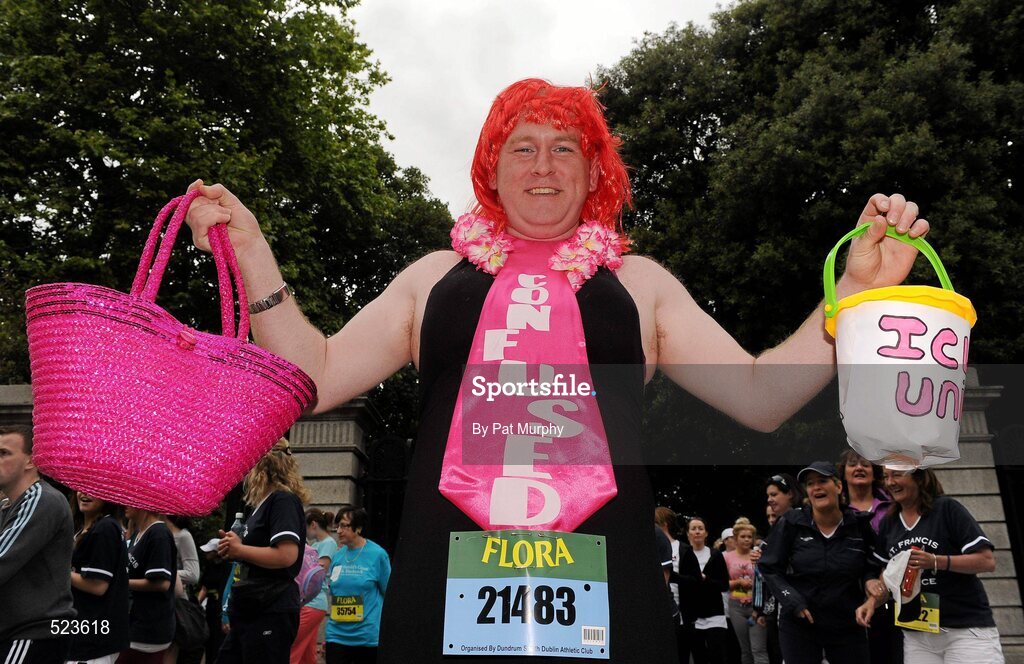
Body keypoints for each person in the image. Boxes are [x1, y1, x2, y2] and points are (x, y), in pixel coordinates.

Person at [184, 77, 930, 662]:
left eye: (565, 147)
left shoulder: (642, 284)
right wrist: (254, 255)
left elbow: (765, 395)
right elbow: (311, 375)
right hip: (445, 581)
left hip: (608, 580)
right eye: (523, 146)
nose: (543, 165)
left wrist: (857, 294)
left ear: (593, 170)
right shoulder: (432, 277)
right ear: (492, 169)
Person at [875, 467, 1003, 663]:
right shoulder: (888, 523)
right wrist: (871, 600)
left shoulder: (946, 509)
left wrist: (935, 561)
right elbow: (885, 572)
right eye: (886, 476)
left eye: (897, 475)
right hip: (917, 634)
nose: (890, 482)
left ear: (919, 477)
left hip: (964, 629)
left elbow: (986, 561)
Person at [758, 461, 882, 664]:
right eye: (810, 483)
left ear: (839, 486)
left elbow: (873, 564)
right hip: (800, 623)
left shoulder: (859, 526)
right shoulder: (791, 522)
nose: (816, 487)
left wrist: (870, 581)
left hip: (847, 623)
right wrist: (792, 601)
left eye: (822, 481)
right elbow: (769, 567)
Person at [216, 438, 309, 664]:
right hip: (254, 605)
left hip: (270, 607)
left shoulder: (282, 500)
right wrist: (233, 547)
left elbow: (287, 556)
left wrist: (240, 550)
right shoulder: (264, 504)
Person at [0, 425, 76, 664]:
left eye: (4, 453)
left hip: (34, 633)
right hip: (22, 633)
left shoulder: (40, 499)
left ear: (31, 461)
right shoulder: (9, 506)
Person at [839, 450, 901, 663]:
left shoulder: (894, 504)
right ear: (843, 474)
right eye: (852, 464)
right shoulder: (836, 510)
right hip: (853, 592)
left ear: (874, 473)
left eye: (865, 464)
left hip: (897, 590)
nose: (859, 468)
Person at [67, 492, 130, 664]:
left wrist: (59, 571)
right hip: (81, 629)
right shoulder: (84, 528)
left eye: (94, 489)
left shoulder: (105, 528)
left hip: (93, 637)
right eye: (81, 486)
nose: (84, 493)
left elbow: (98, 586)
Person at [325, 507, 390, 664]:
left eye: (344, 526)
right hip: (336, 635)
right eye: (337, 526)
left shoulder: (378, 555)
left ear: (359, 528)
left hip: (366, 637)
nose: (339, 531)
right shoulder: (338, 556)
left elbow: (388, 592)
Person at [120, 506, 177, 663]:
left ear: (143, 503)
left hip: (149, 629)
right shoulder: (140, 532)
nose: (126, 503)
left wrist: (121, 583)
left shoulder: (159, 534)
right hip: (134, 622)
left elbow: (162, 583)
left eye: (132, 499)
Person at [676, 516, 729, 664]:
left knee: (717, 655)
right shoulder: (684, 555)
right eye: (694, 529)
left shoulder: (715, 555)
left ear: (706, 533)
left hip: (714, 614)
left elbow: (724, 584)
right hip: (693, 617)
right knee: (699, 657)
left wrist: (707, 580)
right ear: (688, 533)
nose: (697, 532)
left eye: (701, 528)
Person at [291, 508, 339, 664]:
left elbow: (320, 570)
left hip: (313, 602)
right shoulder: (318, 544)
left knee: (291, 649)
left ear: (313, 525)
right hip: (313, 603)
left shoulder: (328, 543)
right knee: (307, 655)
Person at [724, 520, 768, 664]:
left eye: (750, 536)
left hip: (756, 606)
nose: (747, 539)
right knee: (745, 650)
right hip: (736, 606)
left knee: (759, 649)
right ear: (735, 538)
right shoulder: (726, 557)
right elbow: (722, 583)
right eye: (743, 536)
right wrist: (738, 583)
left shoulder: (758, 555)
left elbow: (767, 580)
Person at [196, 538, 231, 664]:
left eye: (209, 551)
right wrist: (195, 605)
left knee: (218, 639)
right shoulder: (210, 566)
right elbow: (204, 588)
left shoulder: (227, 567)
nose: (206, 554)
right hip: (210, 607)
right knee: (208, 639)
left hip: (221, 607)